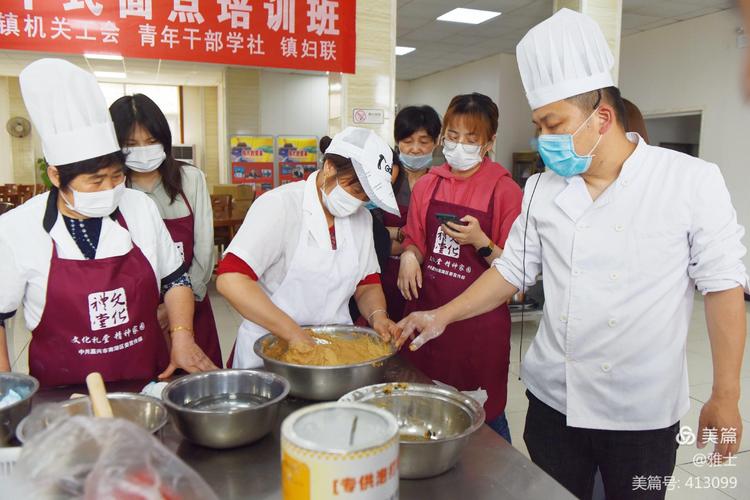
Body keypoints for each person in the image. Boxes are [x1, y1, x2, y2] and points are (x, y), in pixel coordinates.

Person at [397, 9, 747, 499]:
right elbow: (512, 269)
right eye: (540, 124)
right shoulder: (543, 187)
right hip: (552, 403)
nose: (544, 139)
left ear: (602, 118)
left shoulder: (688, 180)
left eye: (552, 123)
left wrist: (725, 394)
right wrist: (441, 316)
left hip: (641, 413)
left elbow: (724, 286)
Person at [0, 59, 217, 385]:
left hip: (148, 376)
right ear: (56, 175)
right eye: (96, 181)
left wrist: (182, 335)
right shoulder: (19, 228)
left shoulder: (140, 207)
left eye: (117, 176)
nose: (111, 189)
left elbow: (175, 281)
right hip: (62, 388)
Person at [216, 127, 401, 368]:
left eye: (366, 197)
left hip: (334, 352)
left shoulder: (362, 220)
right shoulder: (280, 206)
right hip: (270, 349)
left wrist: (379, 316)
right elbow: (231, 279)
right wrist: (294, 335)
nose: (358, 201)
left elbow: (367, 284)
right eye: (355, 190)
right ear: (330, 167)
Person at [397, 93, 523, 442]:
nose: (460, 145)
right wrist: (409, 255)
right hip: (426, 315)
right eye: (453, 136)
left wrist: (481, 241)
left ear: (489, 142)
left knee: (483, 417)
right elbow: (417, 240)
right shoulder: (429, 183)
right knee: (425, 411)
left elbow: (515, 271)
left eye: (471, 139)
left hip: (477, 328)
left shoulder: (504, 190)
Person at [109, 94, 222, 368]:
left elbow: (204, 249)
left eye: (151, 142)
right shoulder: (111, 189)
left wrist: (178, 307)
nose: (144, 151)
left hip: (192, 306)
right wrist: (151, 311)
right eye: (131, 145)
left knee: (196, 387)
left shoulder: (190, 179)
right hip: (137, 314)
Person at [376, 106, 441, 322]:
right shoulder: (385, 180)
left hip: (430, 279)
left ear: (436, 142)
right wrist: (410, 242)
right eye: (407, 141)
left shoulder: (441, 182)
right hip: (385, 276)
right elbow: (371, 235)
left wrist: (397, 235)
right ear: (396, 141)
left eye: (423, 142)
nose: (415, 149)